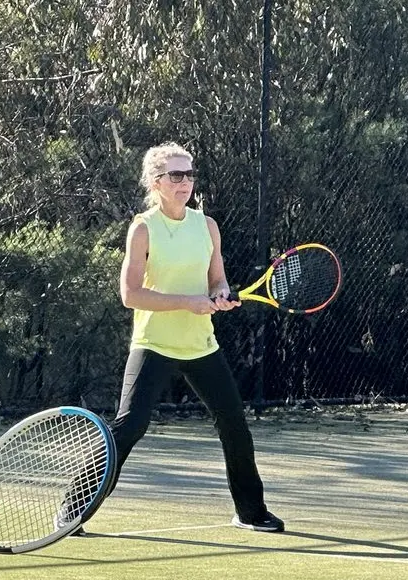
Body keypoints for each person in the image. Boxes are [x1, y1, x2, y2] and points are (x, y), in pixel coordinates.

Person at [99, 142, 283, 533]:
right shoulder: (143, 228)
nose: (186, 183)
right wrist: (189, 302)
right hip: (154, 344)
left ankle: (250, 512)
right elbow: (130, 295)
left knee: (234, 425)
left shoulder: (207, 226)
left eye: (190, 175)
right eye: (176, 176)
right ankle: (75, 508)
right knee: (129, 427)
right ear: (156, 182)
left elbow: (217, 279)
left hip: (201, 345)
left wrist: (218, 294)